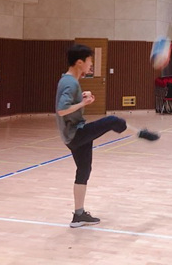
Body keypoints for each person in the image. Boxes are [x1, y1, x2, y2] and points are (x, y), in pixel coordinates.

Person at [56, 43, 160, 228]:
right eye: (89, 62)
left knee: (84, 170)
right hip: (76, 133)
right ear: (79, 62)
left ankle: (78, 215)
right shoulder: (70, 83)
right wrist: (83, 103)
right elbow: (62, 110)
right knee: (112, 120)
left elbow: (67, 103)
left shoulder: (67, 80)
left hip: (71, 136)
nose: (91, 65)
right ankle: (139, 133)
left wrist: (81, 98)